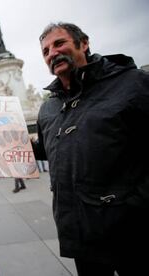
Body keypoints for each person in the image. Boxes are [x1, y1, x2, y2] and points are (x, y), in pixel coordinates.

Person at [32, 22, 149, 275]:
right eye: (45, 51)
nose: (52, 52)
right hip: (81, 236)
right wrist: (7, 145)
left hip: (133, 233)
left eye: (59, 43)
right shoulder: (48, 108)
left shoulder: (133, 83)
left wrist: (137, 204)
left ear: (83, 43)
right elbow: (46, 150)